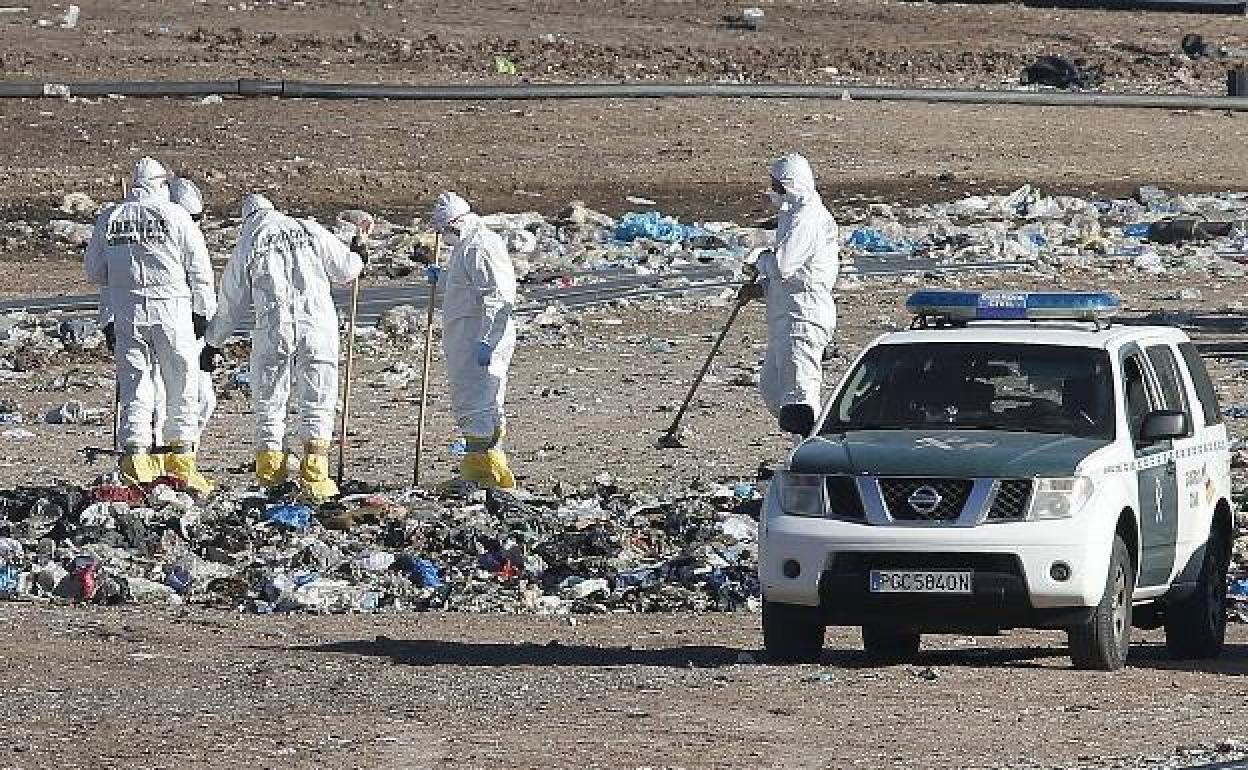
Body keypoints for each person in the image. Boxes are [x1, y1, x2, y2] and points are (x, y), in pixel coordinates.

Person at [201, 194, 365, 500]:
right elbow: (345, 270)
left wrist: (213, 342)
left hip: (274, 326)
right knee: (318, 396)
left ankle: (271, 474)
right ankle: (316, 474)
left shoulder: (249, 243)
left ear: (246, 220)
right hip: (318, 324)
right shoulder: (307, 228)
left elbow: (231, 304)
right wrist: (359, 251)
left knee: (269, 399)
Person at [85, 157, 216, 493]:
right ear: (162, 184)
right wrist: (203, 314)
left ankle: (136, 464)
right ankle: (180, 465)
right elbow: (200, 270)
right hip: (171, 310)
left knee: (136, 386)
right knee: (181, 384)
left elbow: (95, 273)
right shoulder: (175, 215)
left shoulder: (111, 218)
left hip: (128, 312)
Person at [738, 153, 839, 417]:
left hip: (803, 316)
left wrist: (759, 259)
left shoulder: (807, 218)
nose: (774, 192)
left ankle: (813, 450)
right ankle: (808, 440)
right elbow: (794, 274)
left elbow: (783, 267)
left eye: (778, 187)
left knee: (800, 397)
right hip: (785, 315)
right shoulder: (792, 214)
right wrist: (762, 289)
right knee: (773, 390)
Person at [428, 192, 517, 489]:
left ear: (454, 225)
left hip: (477, 338)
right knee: (481, 403)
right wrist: (441, 277)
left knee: (476, 403)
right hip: (468, 337)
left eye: (444, 232)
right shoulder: (467, 245)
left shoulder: (479, 246)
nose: (444, 237)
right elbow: (464, 285)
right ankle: (486, 466)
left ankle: (483, 473)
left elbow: (497, 296)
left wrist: (487, 341)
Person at [151, 176, 216, 447]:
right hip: (165, 323)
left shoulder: (192, 235)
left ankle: (184, 453)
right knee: (160, 396)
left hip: (192, 326)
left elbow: (203, 281)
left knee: (202, 398)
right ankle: (157, 451)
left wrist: (206, 324)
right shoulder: (157, 239)